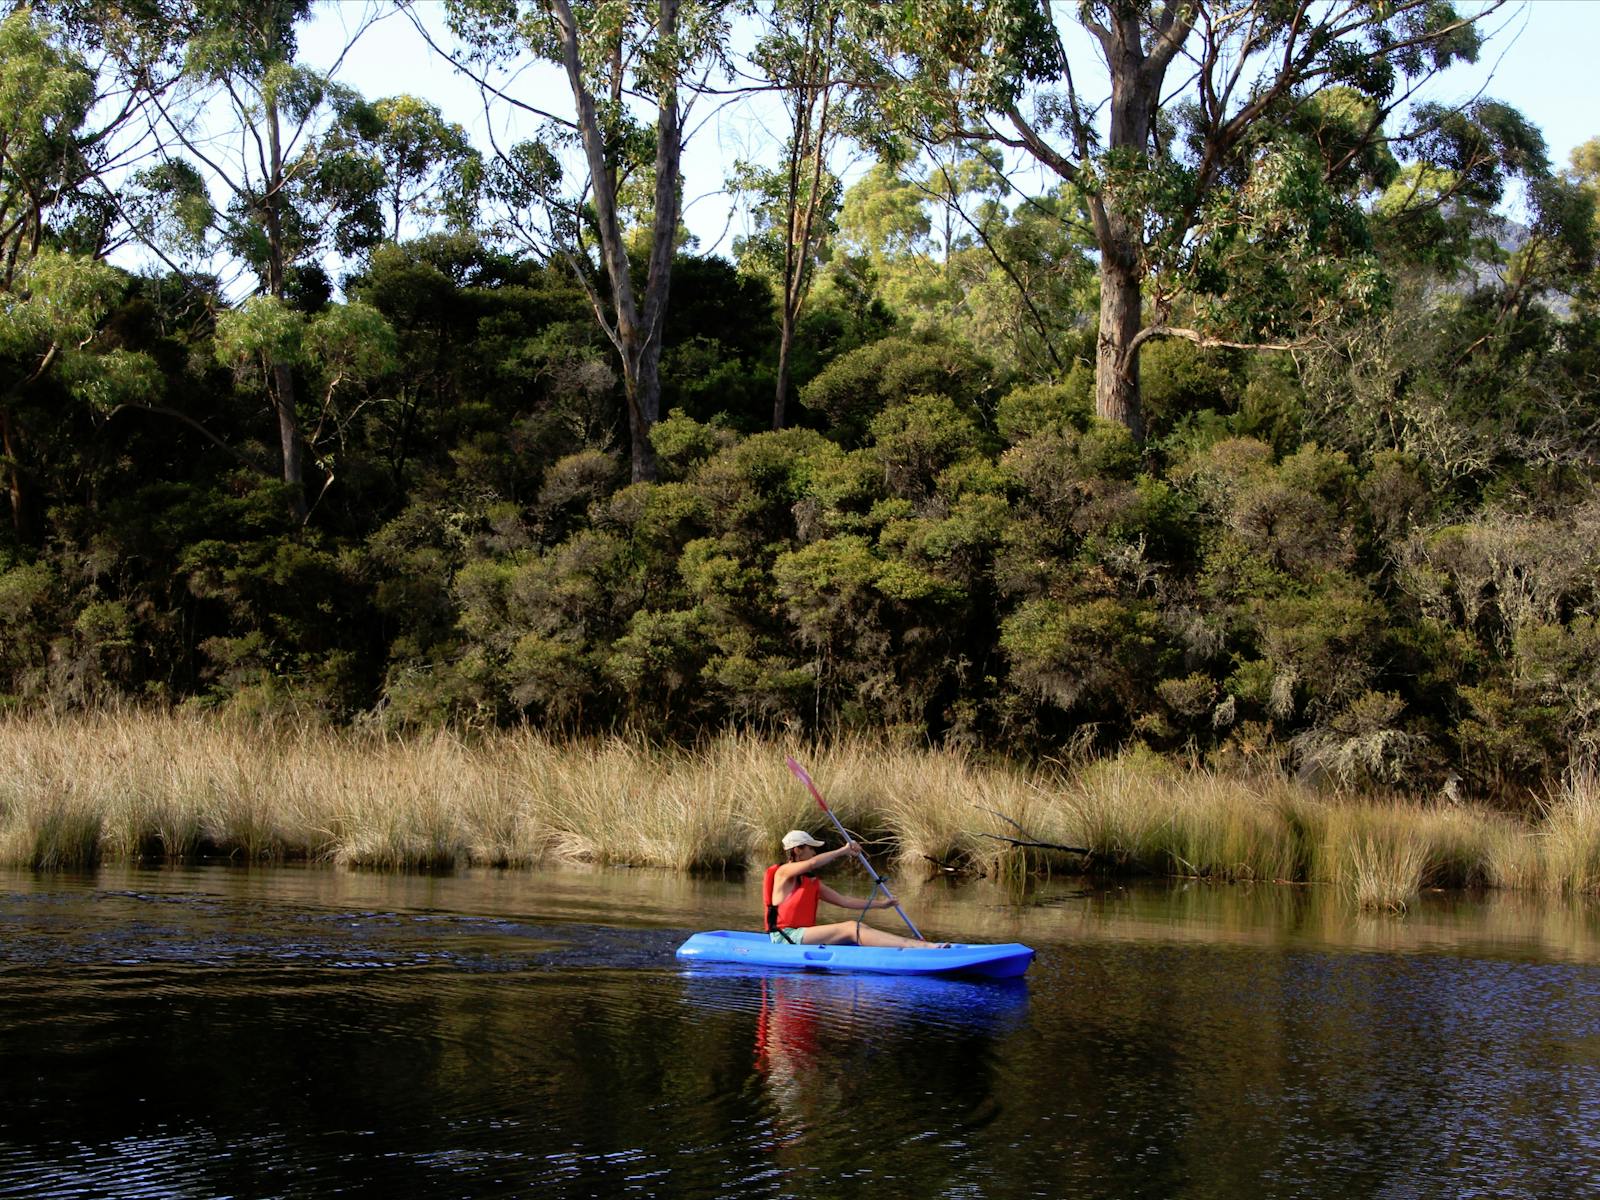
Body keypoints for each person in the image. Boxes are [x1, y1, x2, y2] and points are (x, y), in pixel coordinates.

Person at [763, 830, 948, 948]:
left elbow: (845, 901)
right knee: (852, 928)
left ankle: (912, 945)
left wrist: (881, 905)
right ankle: (920, 947)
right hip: (784, 938)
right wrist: (843, 851)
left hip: (800, 936)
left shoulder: (809, 882)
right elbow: (812, 863)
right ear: (798, 850)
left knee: (859, 927)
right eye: (811, 848)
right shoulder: (783, 873)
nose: (814, 852)